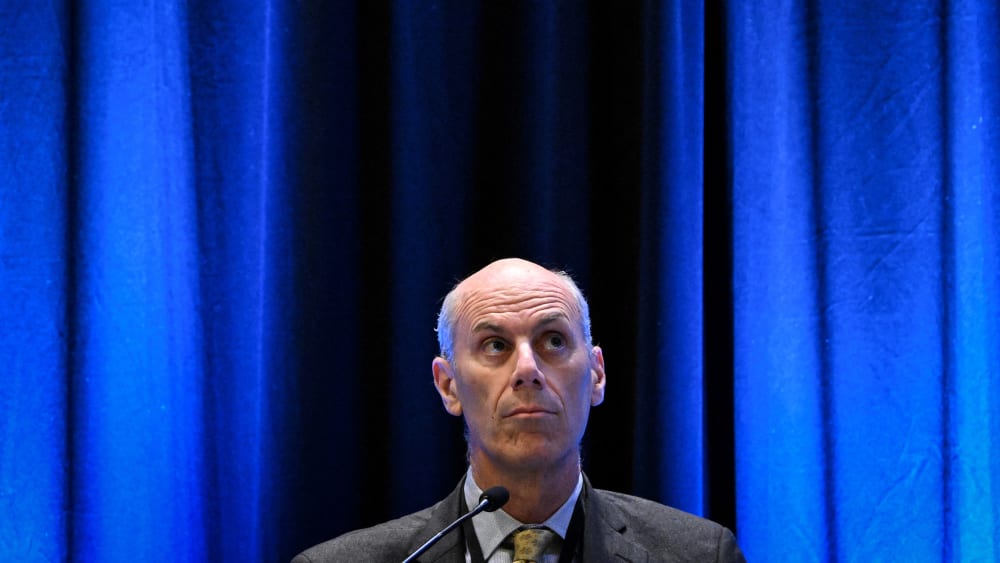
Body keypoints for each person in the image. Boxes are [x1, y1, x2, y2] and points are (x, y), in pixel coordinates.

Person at [293, 258, 746, 562]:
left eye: (553, 340)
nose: (527, 370)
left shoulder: (702, 554)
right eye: (495, 345)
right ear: (448, 386)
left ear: (597, 375)